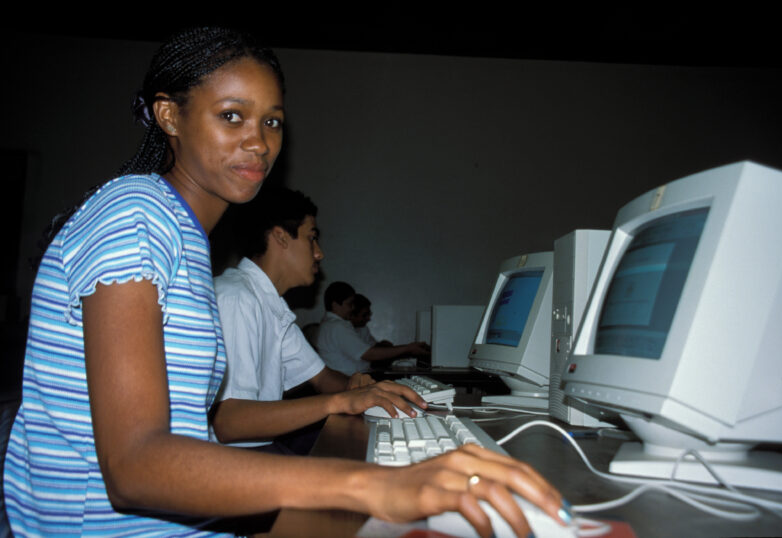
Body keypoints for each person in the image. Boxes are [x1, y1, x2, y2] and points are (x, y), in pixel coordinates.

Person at [3, 27, 571, 538]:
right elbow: (133, 466)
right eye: (232, 116)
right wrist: (367, 486)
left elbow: (211, 421)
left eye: (271, 121)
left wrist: (345, 406)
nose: (259, 142)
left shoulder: (179, 235)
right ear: (169, 116)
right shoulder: (135, 216)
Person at [213, 188, 424, 451]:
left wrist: (356, 386)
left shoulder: (271, 305)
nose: (319, 253)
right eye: (311, 238)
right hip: (228, 458)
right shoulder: (236, 298)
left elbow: (322, 378)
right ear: (280, 237)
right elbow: (230, 423)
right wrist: (340, 401)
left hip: (253, 449)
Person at [317, 281, 431, 375]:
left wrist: (406, 348)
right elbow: (369, 354)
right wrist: (408, 348)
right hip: (346, 382)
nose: (352, 308)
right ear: (335, 304)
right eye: (349, 304)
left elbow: (371, 350)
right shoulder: (337, 326)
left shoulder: (331, 324)